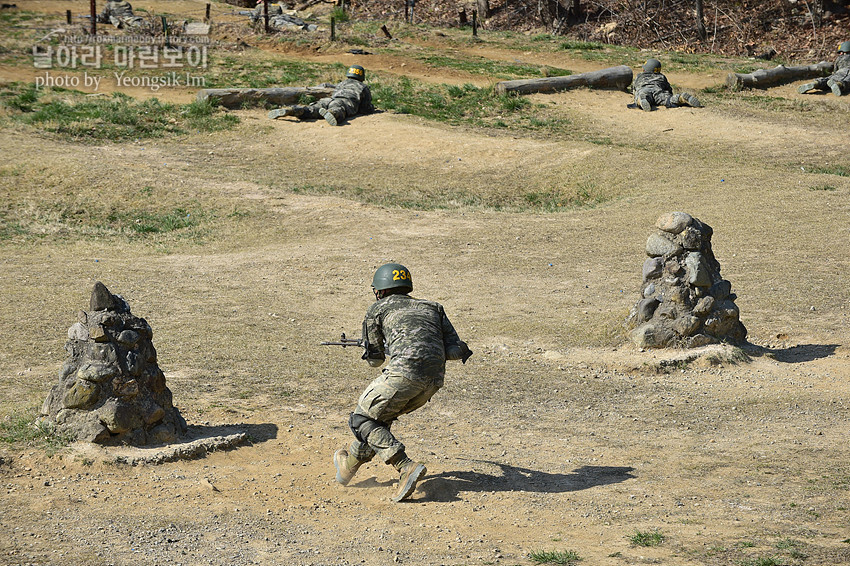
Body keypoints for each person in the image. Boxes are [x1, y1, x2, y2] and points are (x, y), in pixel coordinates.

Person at [332, 263, 472, 502]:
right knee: (379, 420)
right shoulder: (433, 307)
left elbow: (375, 360)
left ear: (380, 290)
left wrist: (388, 348)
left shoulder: (377, 309)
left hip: (404, 374)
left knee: (361, 419)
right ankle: (347, 468)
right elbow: (454, 350)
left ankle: (405, 466)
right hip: (434, 380)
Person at [268, 65, 374, 126]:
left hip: (329, 99)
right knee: (338, 108)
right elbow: (365, 107)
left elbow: (335, 93)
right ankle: (332, 113)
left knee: (314, 108)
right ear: (362, 76)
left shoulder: (342, 83)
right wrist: (372, 109)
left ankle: (294, 110)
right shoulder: (363, 87)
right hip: (344, 102)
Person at [631, 58, 701, 111]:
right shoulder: (661, 77)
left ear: (644, 69)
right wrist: (669, 95)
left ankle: (641, 100)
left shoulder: (639, 76)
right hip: (658, 90)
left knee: (641, 95)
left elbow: (634, 88)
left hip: (644, 90)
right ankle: (679, 98)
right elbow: (668, 88)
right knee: (668, 99)